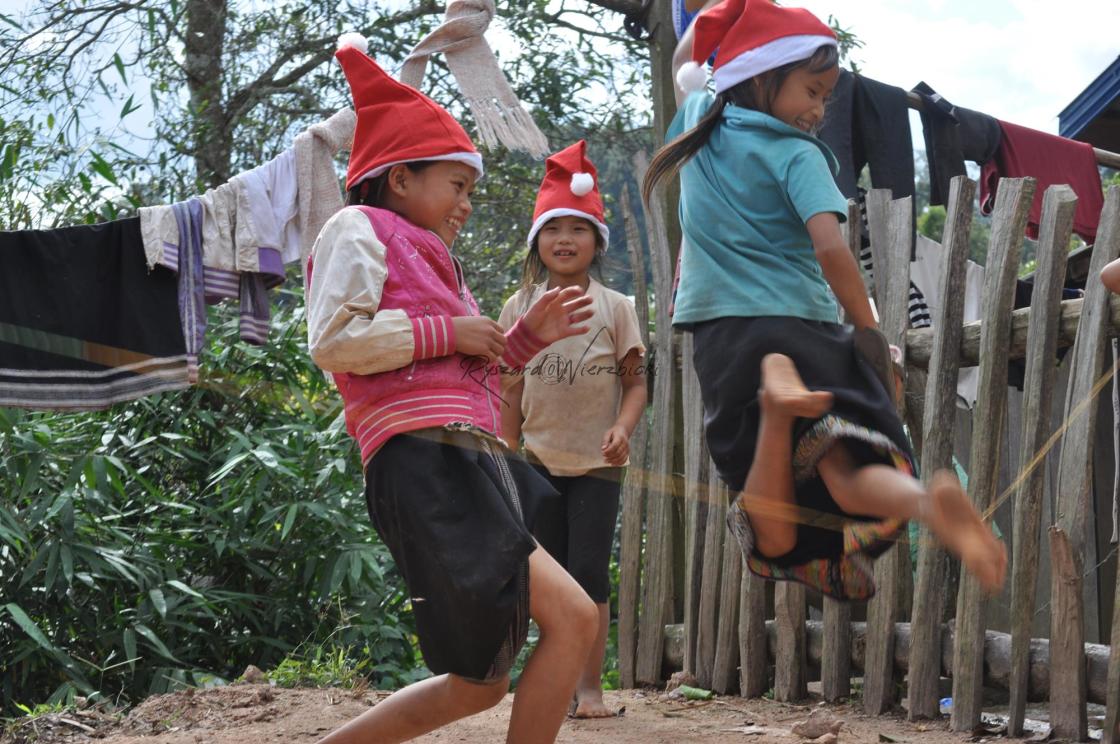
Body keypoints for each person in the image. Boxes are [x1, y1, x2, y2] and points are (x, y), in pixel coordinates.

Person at [643, 0, 1006, 601]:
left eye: (824, 98)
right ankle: (924, 501)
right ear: (759, 77)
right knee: (844, 472)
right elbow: (832, 250)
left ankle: (780, 412)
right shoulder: (796, 155)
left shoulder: (699, 118)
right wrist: (867, 329)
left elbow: (688, 61)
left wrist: (711, 17)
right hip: (802, 330)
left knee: (772, 528)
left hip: (725, 336)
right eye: (812, 92)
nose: (817, 111)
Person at [307, 34, 600, 744]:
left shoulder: (438, 259)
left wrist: (525, 340)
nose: (466, 202)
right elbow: (334, 343)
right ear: (400, 178)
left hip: (470, 462)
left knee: (481, 684)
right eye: (457, 184)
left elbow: (463, 372)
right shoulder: (358, 227)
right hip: (425, 466)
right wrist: (451, 332)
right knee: (571, 622)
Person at [498, 140, 647, 718]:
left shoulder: (617, 307)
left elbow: (635, 383)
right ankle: (553, 685)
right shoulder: (519, 307)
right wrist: (507, 452)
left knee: (587, 572)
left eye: (578, 229)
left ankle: (590, 689)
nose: (565, 239)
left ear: (596, 242)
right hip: (535, 461)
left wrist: (623, 426)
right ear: (537, 240)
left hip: (598, 463)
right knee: (547, 581)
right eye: (553, 228)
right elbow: (509, 387)